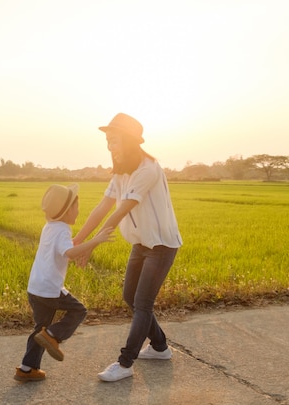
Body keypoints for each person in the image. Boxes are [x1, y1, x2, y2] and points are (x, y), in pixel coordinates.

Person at [73, 113, 183, 382]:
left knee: (143, 304)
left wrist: (92, 245)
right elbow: (102, 208)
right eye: (108, 142)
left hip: (161, 245)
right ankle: (160, 348)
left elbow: (121, 210)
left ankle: (125, 363)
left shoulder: (148, 169)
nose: (111, 147)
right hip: (140, 243)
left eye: (115, 141)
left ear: (131, 142)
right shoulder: (121, 173)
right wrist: (78, 241)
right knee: (130, 298)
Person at [14, 183, 114, 382]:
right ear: (67, 211)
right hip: (50, 288)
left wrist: (77, 248)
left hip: (35, 288)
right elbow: (68, 252)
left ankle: (27, 368)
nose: (79, 211)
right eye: (77, 207)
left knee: (39, 328)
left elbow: (63, 252)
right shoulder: (63, 230)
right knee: (79, 310)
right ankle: (54, 335)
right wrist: (95, 241)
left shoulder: (50, 227)